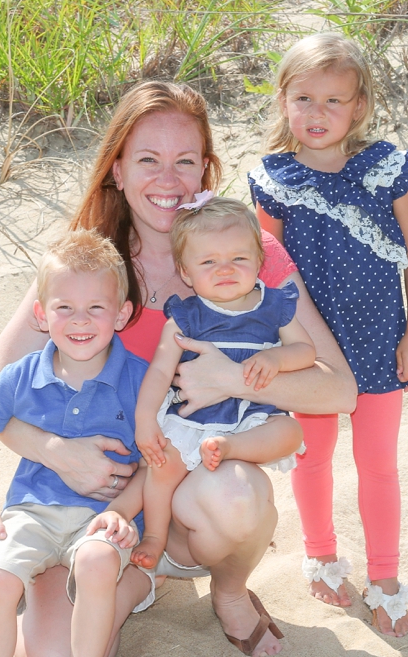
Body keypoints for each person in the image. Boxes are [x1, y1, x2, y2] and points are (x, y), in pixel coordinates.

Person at [0, 80, 358, 657]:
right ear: (117, 170)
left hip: (187, 493)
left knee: (238, 495)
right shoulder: (87, 268)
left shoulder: (244, 253)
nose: (168, 180)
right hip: (85, 506)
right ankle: (124, 578)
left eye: (185, 161)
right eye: (148, 160)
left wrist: (237, 379)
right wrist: (56, 452)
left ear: (206, 169)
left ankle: (224, 591)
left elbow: (339, 390)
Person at [249, 33, 408, 640]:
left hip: (382, 339)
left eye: (334, 99)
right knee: (314, 454)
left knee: (378, 463)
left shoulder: (384, 170)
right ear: (282, 102)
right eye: (304, 97)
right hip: (310, 352)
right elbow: (265, 274)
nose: (318, 113)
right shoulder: (274, 181)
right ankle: (321, 555)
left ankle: (385, 581)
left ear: (358, 106)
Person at [0, 229, 148, 657]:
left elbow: (158, 463)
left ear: (123, 313)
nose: (79, 322)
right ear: (41, 315)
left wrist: (122, 511)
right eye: (64, 308)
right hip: (32, 512)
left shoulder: (141, 378)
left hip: (101, 516)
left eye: (96, 309)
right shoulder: (19, 377)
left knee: (99, 558)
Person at [121, 196, 314, 579]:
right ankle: (156, 536)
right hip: (195, 417)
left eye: (238, 259)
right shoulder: (186, 316)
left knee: (291, 431)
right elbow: (160, 372)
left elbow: (305, 351)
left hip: (251, 418)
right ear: (187, 272)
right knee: (162, 465)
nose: (225, 270)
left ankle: (230, 449)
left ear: (259, 260)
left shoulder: (274, 306)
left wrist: (276, 359)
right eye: (208, 262)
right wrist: (145, 419)